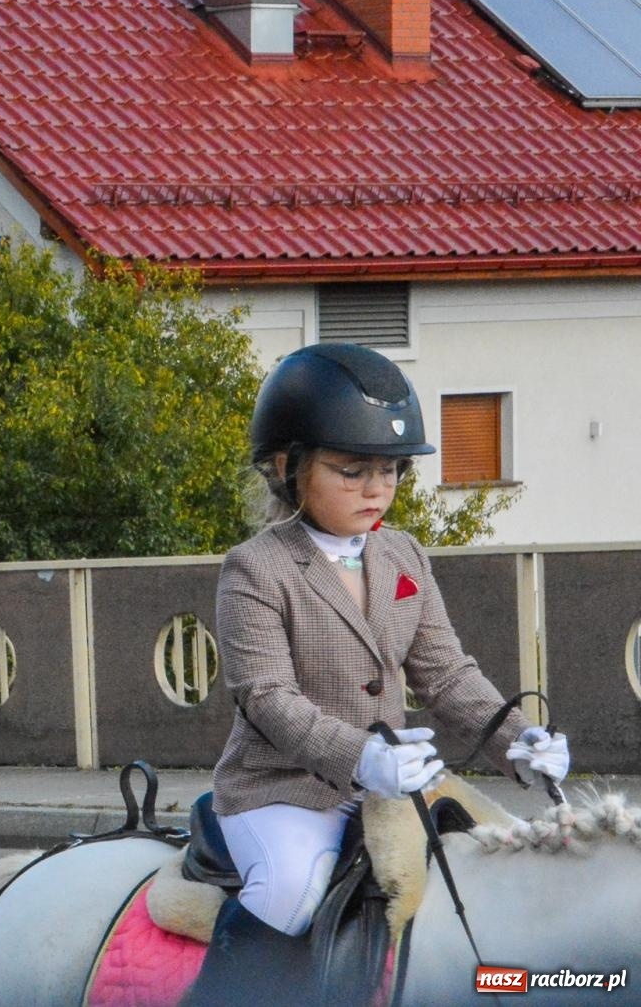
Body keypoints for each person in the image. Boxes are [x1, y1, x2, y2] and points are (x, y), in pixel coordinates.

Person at [184, 343, 571, 1004]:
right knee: (290, 892)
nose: (376, 490)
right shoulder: (256, 568)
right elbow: (267, 698)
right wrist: (361, 757)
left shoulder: (403, 556)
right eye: (352, 471)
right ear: (287, 467)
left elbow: (446, 673)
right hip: (282, 791)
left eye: (390, 471)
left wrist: (520, 744)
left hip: (389, 789)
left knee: (499, 864)